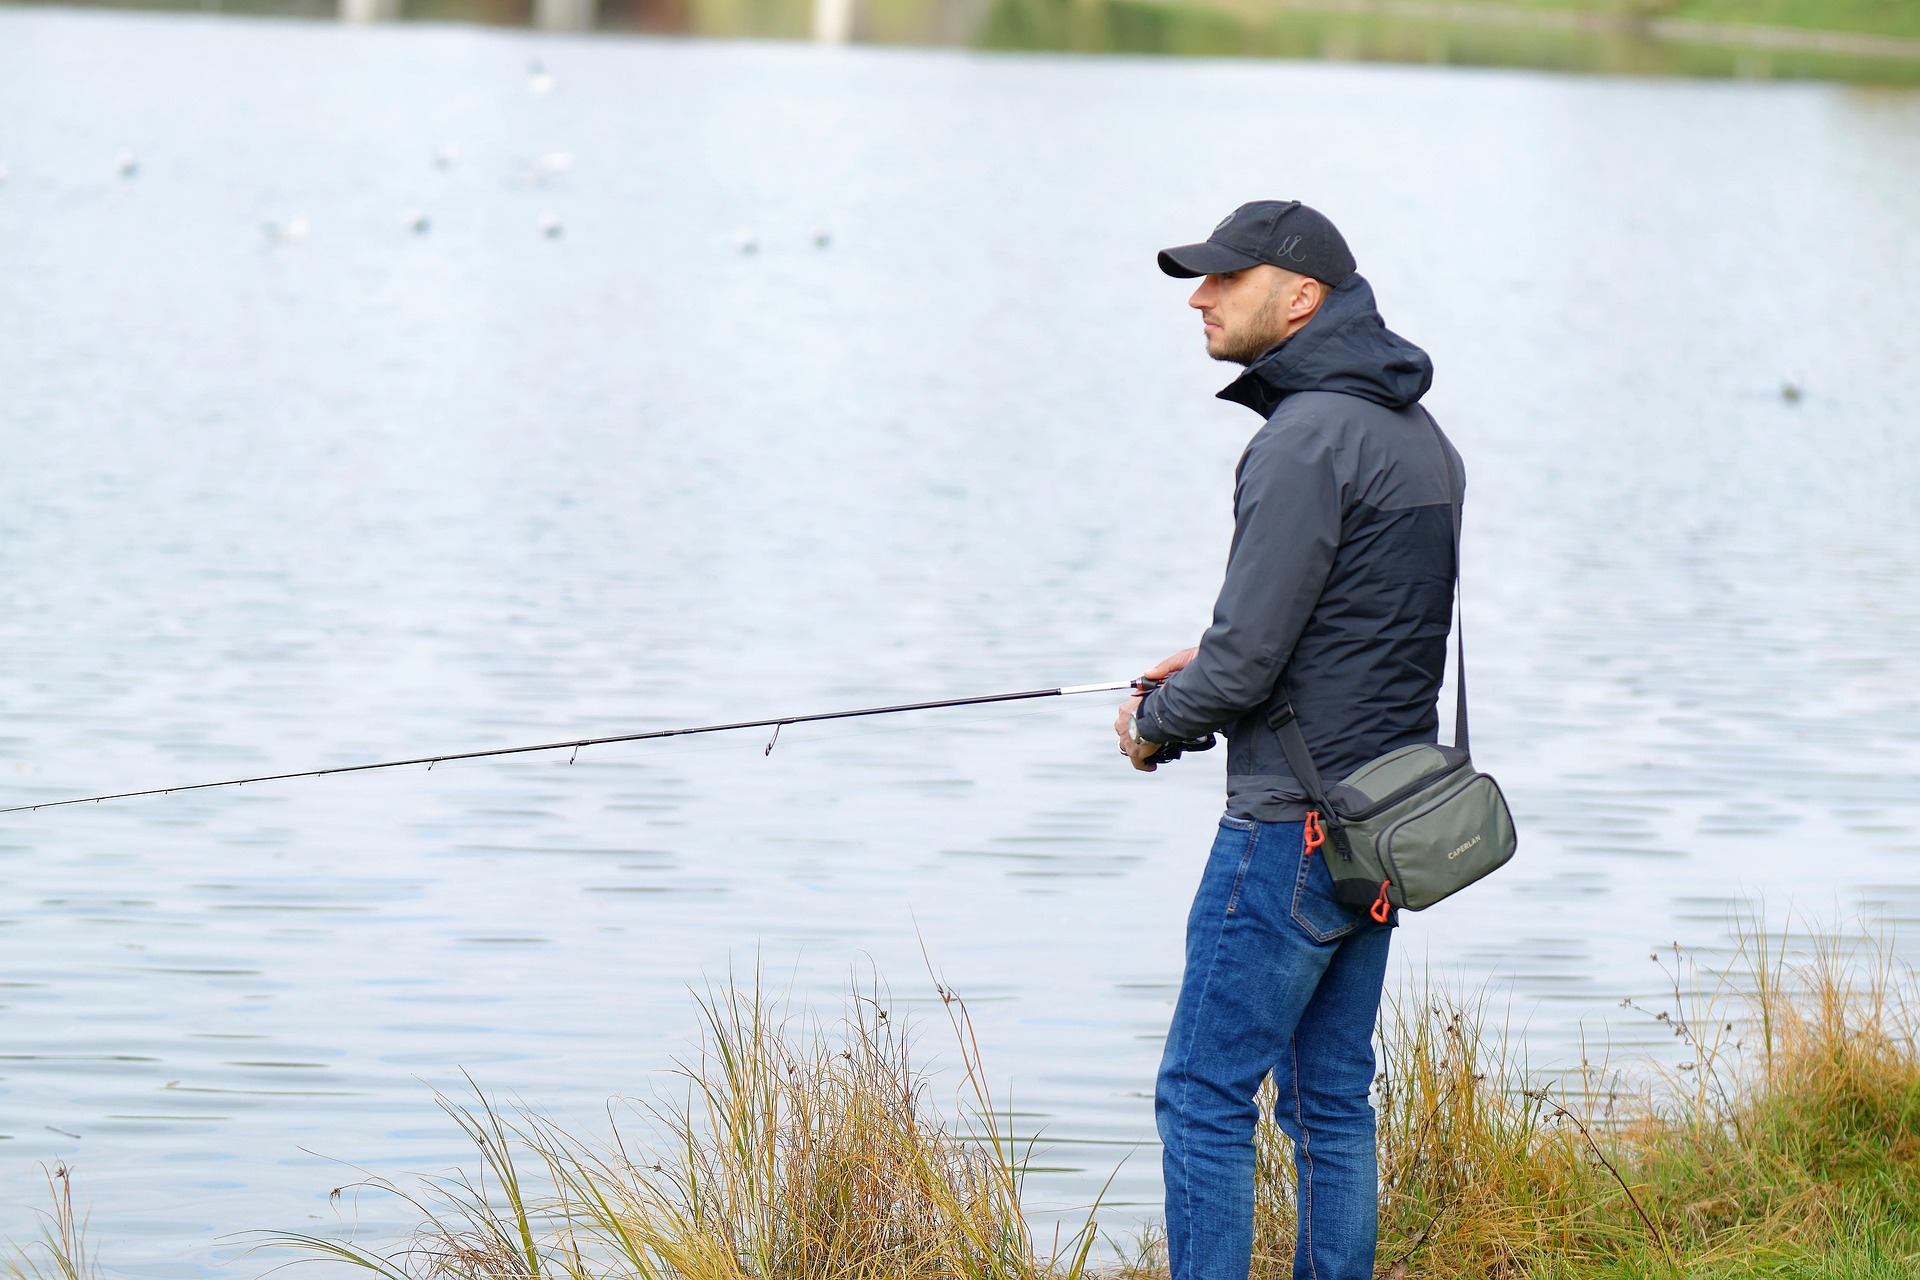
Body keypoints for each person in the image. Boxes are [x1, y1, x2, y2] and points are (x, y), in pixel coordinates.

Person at [1114, 200, 1462, 1280]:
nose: (1199, 296)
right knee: (1329, 1100)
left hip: (1288, 832)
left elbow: (1246, 667)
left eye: (1226, 278)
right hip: (1382, 828)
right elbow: (1352, 630)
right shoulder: (1415, 435)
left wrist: (1153, 723)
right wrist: (1211, 657)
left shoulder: (1301, 439)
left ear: (1301, 296)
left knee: (1201, 1093)